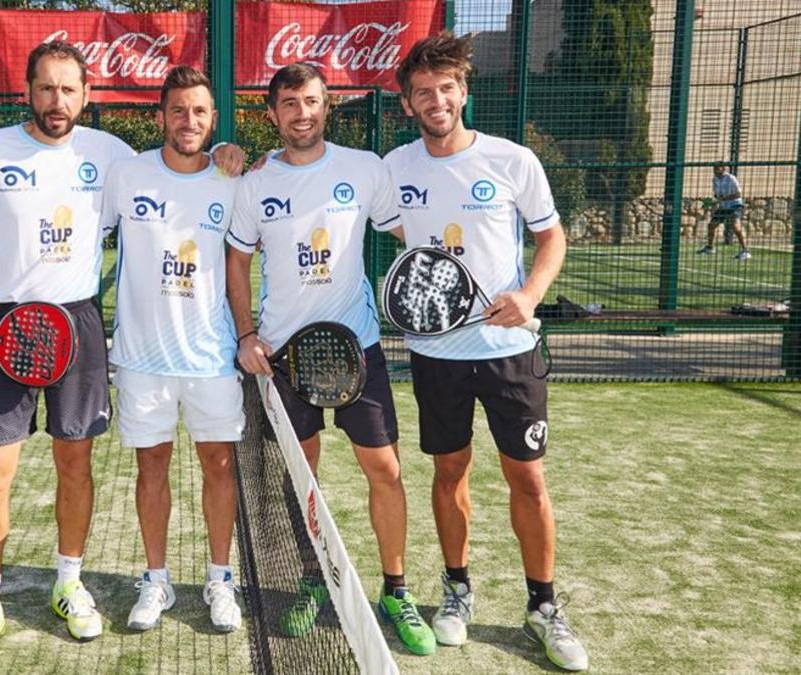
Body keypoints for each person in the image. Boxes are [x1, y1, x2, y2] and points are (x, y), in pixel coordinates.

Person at [0, 42, 245, 669]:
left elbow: (182, 164)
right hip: (4, 325)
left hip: (78, 327)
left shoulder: (109, 155)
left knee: (76, 467)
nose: (58, 101)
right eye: (47, 89)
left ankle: (68, 584)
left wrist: (225, 154)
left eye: (69, 90)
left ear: (86, 95)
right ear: (28, 90)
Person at [382, 32, 588, 671]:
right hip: (436, 352)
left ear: (463, 92)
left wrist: (529, 294)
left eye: (447, 88)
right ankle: (457, 590)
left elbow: (551, 238)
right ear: (409, 105)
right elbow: (372, 215)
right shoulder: (393, 168)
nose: (437, 100)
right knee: (449, 474)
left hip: (509, 349)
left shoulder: (513, 159)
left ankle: (543, 606)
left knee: (527, 476)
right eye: (424, 93)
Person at [225, 63, 436, 656]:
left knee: (386, 472)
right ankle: (313, 580)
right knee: (302, 476)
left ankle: (396, 588)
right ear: (273, 114)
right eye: (289, 103)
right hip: (285, 358)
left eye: (312, 101)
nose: (301, 113)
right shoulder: (254, 182)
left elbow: (411, 233)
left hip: (357, 351)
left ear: (327, 107)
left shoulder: (364, 170)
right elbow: (236, 263)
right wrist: (246, 335)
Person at [101, 65, 245, 635]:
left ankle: (220, 579)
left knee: (219, 465)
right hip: (141, 360)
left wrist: (236, 153)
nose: (189, 121)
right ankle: (155, 580)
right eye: (179, 110)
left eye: (200, 112)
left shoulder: (229, 178)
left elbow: (244, 258)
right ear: (160, 116)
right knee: (150, 467)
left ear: (213, 121)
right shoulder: (126, 173)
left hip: (212, 358)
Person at [698, 162, 750, 260]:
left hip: (735, 205)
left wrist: (724, 199)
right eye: (714, 168)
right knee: (711, 225)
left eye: (717, 168)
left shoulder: (731, 178)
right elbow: (717, 195)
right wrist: (712, 201)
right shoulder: (714, 180)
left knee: (736, 227)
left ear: (723, 169)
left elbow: (738, 194)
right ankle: (710, 248)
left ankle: (745, 251)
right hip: (723, 206)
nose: (715, 170)